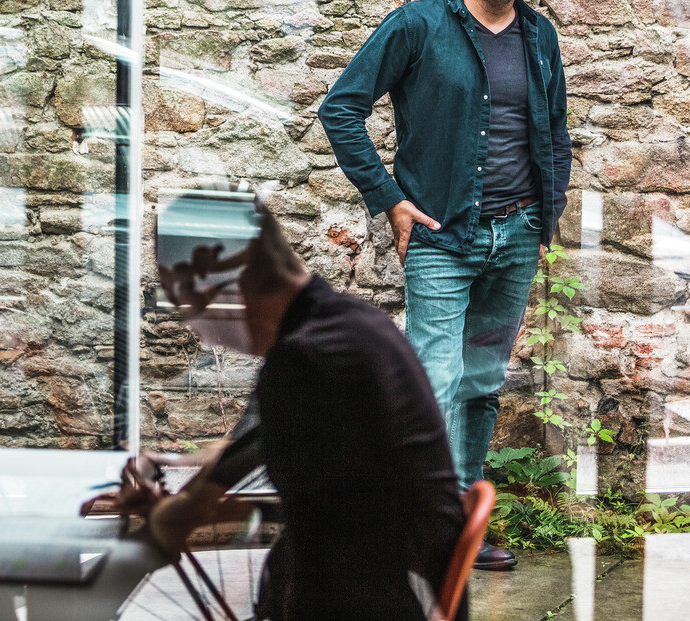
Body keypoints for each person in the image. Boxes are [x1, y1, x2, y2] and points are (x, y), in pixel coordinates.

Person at [318, 0, 572, 571]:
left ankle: (459, 524)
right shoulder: (418, 25)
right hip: (441, 238)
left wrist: (549, 213)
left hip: (516, 237)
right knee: (435, 379)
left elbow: (555, 132)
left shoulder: (539, 37)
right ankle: (413, 525)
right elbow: (341, 107)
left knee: (483, 381)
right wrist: (391, 201)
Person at [106, 188, 465, 621]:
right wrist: (175, 463)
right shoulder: (341, 322)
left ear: (213, 279)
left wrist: (159, 512)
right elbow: (254, 446)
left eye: (185, 305)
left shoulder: (306, 359)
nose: (197, 331)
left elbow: (179, 523)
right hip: (391, 589)